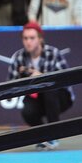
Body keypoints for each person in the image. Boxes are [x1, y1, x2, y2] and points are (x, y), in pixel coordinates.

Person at [7, 22, 72, 150]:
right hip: (36, 98)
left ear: (40, 39)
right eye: (25, 38)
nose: (28, 42)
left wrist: (41, 76)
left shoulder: (53, 53)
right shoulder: (19, 58)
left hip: (60, 97)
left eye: (32, 38)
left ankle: (53, 134)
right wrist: (24, 79)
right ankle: (43, 137)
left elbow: (65, 79)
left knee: (48, 88)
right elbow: (10, 85)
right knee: (27, 112)